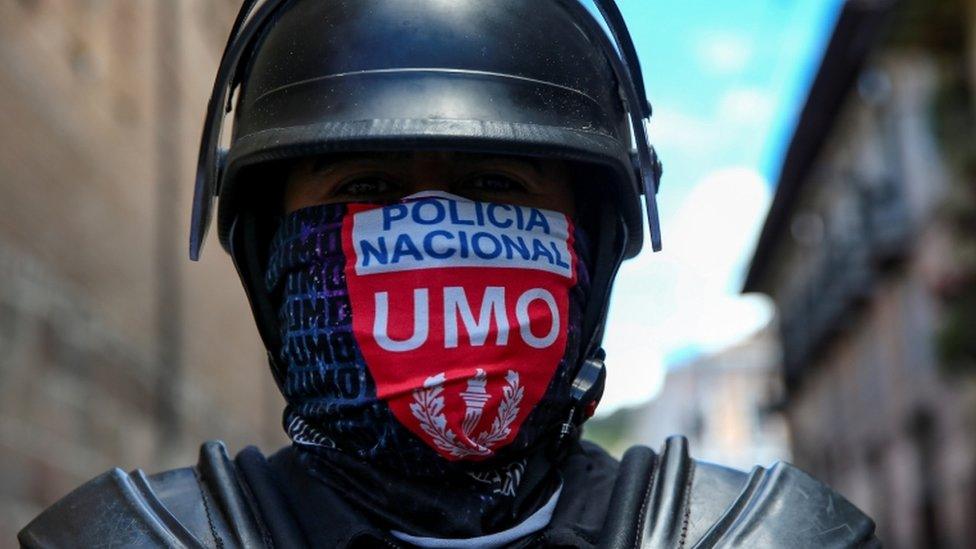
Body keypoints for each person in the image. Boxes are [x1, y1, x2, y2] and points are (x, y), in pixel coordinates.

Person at [18, 1, 879, 547]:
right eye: (367, 186)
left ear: (596, 243)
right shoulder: (126, 539)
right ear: (267, 254)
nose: (430, 227)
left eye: (492, 183)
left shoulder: (760, 537)